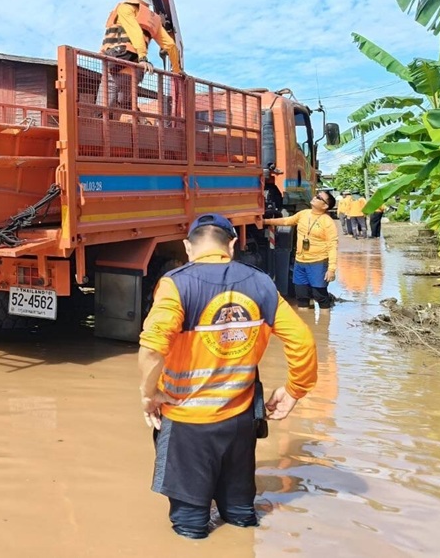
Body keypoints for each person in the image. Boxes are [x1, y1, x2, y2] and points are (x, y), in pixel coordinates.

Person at [138, 213, 318, 539]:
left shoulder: (175, 285)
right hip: (240, 420)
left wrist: (148, 394)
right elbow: (303, 340)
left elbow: (152, 350)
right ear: (232, 245)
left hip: (186, 424)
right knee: (240, 513)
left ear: (187, 247)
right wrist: (295, 390)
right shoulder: (261, 283)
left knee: (190, 524)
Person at [98, 0, 182, 113]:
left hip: (117, 65)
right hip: (136, 72)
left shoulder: (125, 8)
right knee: (127, 106)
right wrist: (177, 71)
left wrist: (143, 57)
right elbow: (171, 45)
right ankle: (138, 120)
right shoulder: (154, 19)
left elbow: (135, 32)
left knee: (101, 109)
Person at [263, 191, 338, 309]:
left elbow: (332, 245)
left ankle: (324, 320)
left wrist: (331, 269)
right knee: (301, 296)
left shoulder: (327, 222)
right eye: (316, 195)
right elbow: (287, 221)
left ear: (325, 206)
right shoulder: (303, 214)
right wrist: (265, 222)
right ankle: (305, 318)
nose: (315, 197)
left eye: (319, 197)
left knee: (320, 296)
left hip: (318, 263)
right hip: (300, 262)